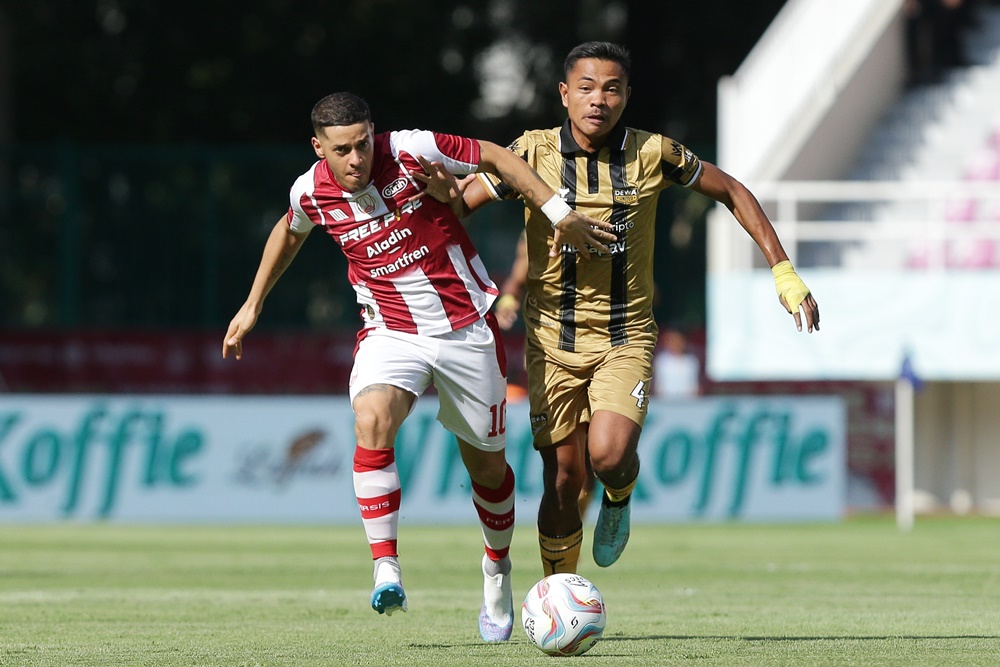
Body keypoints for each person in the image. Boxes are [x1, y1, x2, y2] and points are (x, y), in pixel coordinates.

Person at [221, 92, 616, 640]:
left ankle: (496, 569)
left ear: (373, 134)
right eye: (342, 150)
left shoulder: (412, 149)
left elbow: (497, 157)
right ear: (318, 148)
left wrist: (558, 214)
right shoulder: (310, 190)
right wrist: (253, 304)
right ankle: (386, 567)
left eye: (363, 144)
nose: (357, 158)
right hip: (389, 332)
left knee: (488, 471)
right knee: (371, 419)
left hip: (466, 329)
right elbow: (289, 229)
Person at [451, 42, 820, 576]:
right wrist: (435, 193)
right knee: (563, 479)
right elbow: (461, 204)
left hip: (624, 336)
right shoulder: (530, 153)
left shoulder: (652, 153)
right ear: (564, 94)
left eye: (611, 89)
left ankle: (619, 494)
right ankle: (559, 596)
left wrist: (783, 271)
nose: (597, 100)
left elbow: (732, 190)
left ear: (626, 96)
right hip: (551, 342)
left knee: (607, 456)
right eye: (586, 88)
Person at [652, 328, 702, 398]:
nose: (674, 344)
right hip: (666, 400)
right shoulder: (661, 360)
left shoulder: (691, 361)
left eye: (677, 340)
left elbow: (695, 385)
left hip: (689, 400)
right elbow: (658, 386)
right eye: (671, 341)